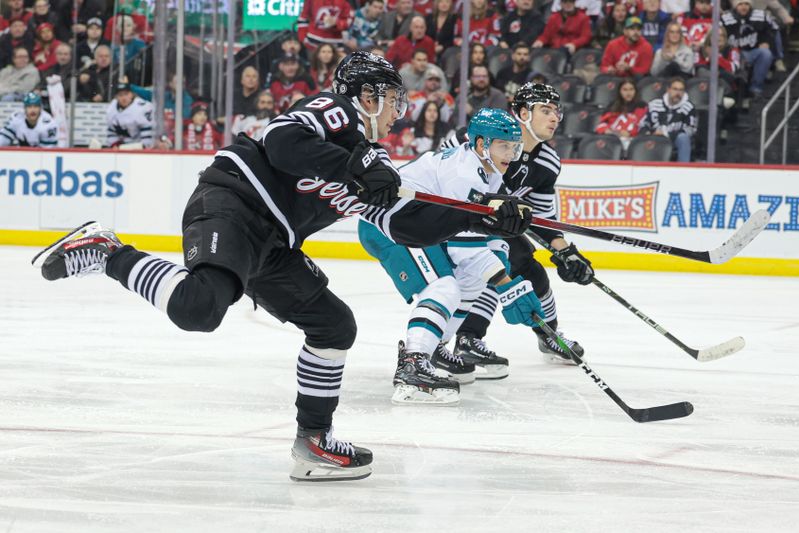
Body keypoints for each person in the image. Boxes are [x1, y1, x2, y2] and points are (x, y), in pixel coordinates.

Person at [34, 51, 532, 481]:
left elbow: (407, 228)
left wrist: (491, 222)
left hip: (275, 242)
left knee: (334, 325)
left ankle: (313, 442)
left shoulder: (371, 155)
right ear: (367, 94)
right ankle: (107, 251)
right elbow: (281, 142)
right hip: (235, 201)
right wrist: (356, 163)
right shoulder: (338, 112)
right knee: (199, 307)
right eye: (390, 96)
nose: (398, 110)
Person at [359, 107, 541, 404]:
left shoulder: (490, 170)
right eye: (503, 145)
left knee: (469, 281)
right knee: (444, 287)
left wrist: (502, 253)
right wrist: (507, 285)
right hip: (389, 227)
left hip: (421, 222)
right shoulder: (464, 173)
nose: (510, 153)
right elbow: (463, 248)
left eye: (514, 146)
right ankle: (413, 363)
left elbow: (481, 236)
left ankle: (434, 347)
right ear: (482, 144)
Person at [452, 84, 592, 372]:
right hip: (453, 218)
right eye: (546, 110)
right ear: (523, 113)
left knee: (531, 271)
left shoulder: (548, 161)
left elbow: (543, 219)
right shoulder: (483, 134)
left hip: (492, 225)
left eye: (556, 111)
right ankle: (466, 339)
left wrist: (567, 254)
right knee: (500, 263)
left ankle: (548, 334)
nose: (555, 118)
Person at [721, 0, 774, 99]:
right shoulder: (725, 18)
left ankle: (756, 89)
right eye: (740, 4)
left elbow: (771, 30)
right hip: (733, 54)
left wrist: (765, 41)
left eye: (746, 4)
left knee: (765, 54)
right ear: (735, 6)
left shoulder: (761, 16)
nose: (743, 7)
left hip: (752, 52)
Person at [641, 76, 696, 162]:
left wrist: (666, 134)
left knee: (683, 138)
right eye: (675, 89)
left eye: (681, 90)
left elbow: (690, 129)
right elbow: (644, 124)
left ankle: (684, 170)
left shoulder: (688, 107)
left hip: (674, 139)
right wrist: (649, 133)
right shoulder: (654, 104)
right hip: (654, 138)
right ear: (668, 89)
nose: (678, 93)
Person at [595, 78, 647, 151]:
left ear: (635, 91)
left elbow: (643, 127)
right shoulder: (612, 106)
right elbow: (601, 125)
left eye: (631, 89)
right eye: (625, 90)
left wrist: (629, 134)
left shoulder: (642, 107)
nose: (628, 93)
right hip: (611, 140)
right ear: (619, 91)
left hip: (632, 142)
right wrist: (611, 131)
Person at [105, 82, 154, 148]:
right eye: (120, 95)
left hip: (141, 146)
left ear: (131, 94)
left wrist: (144, 147)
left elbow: (148, 133)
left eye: (126, 94)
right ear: (116, 97)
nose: (124, 98)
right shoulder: (111, 109)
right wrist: (115, 145)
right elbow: (111, 131)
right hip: (123, 146)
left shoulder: (143, 107)